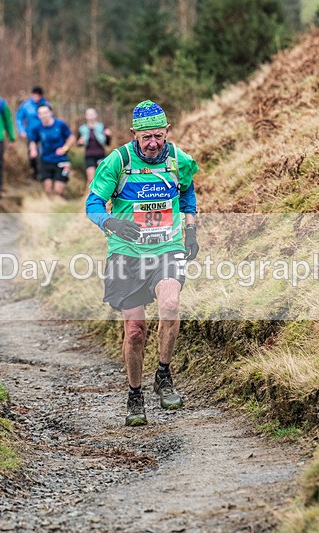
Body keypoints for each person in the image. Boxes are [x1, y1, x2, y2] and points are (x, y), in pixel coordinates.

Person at [85, 100, 199, 427]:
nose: (153, 143)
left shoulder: (178, 160)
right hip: (127, 253)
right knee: (135, 332)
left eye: (159, 136)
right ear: (134, 133)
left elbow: (187, 194)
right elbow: (93, 203)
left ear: (167, 132)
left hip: (167, 247)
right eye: (146, 137)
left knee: (171, 304)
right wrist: (111, 222)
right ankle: (135, 394)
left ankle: (163, 373)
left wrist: (191, 230)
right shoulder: (118, 161)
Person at [28, 105, 76, 198]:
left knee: (58, 190)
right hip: (45, 160)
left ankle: (63, 198)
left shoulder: (60, 124)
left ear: (51, 113)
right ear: (38, 115)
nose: (44, 115)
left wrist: (64, 148)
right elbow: (33, 141)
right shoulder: (37, 128)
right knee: (48, 189)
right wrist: (33, 150)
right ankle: (51, 205)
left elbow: (71, 137)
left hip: (61, 160)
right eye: (41, 113)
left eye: (45, 112)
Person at [15, 86, 50, 180]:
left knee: (42, 152)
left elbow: (51, 117)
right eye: (34, 95)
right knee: (32, 154)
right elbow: (19, 118)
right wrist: (21, 130)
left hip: (43, 133)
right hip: (30, 133)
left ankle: (43, 174)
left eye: (38, 95)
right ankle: (34, 172)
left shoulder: (45, 105)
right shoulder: (26, 105)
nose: (36, 97)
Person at [77, 107, 112, 187]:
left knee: (102, 179)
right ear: (86, 116)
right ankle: (88, 194)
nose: (91, 116)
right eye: (89, 114)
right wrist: (80, 142)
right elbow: (78, 143)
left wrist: (108, 136)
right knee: (91, 179)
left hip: (101, 155)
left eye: (92, 114)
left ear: (96, 115)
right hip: (89, 156)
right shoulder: (82, 129)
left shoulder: (102, 127)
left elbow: (107, 143)